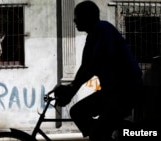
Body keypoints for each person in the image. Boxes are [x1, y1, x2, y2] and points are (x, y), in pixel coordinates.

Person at [54, 1, 143, 141]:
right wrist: (71, 89)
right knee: (78, 112)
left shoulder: (103, 29)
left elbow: (94, 63)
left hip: (125, 89)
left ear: (88, 16)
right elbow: (86, 67)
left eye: (78, 16)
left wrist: (72, 89)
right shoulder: (93, 35)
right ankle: (108, 132)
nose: (74, 20)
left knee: (97, 133)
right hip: (112, 91)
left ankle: (105, 133)